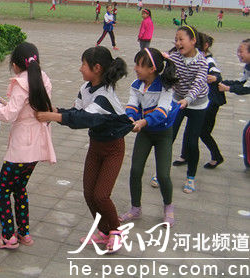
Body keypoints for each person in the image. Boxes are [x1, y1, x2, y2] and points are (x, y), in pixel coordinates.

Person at [36, 46, 132, 253]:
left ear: (96, 68)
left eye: (83, 64)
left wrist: (52, 117)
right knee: (89, 194)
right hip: (96, 146)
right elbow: (77, 111)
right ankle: (103, 231)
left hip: (113, 148)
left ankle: (116, 231)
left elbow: (84, 119)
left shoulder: (104, 96)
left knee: (101, 196)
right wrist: (57, 111)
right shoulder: (86, 88)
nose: (80, 69)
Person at [0, 42, 56, 249]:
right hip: (38, 143)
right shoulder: (43, 79)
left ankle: (8, 236)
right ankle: (23, 233)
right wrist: (2, 103)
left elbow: (9, 115)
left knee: (2, 191)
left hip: (22, 146)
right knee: (20, 188)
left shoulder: (20, 83)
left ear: (15, 65)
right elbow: (25, 109)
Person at [120, 48, 179, 227]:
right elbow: (132, 104)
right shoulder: (136, 85)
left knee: (163, 174)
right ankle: (135, 208)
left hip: (163, 134)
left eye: (140, 65)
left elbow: (161, 112)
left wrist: (142, 122)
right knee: (135, 170)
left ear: (152, 69)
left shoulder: (166, 87)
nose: (136, 68)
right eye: (136, 64)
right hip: (144, 133)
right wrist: (130, 117)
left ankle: (168, 206)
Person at [169, 26, 208, 194]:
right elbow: (167, 76)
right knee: (168, 138)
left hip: (197, 104)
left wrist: (188, 99)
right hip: (178, 102)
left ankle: (190, 177)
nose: (178, 43)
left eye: (181, 39)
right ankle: (161, 173)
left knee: (192, 142)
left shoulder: (202, 62)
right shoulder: (174, 57)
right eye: (176, 40)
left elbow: (198, 84)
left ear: (193, 41)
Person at [218, 39, 250, 171]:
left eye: (241, 51)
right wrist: (221, 82)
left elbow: (246, 88)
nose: (238, 54)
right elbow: (241, 82)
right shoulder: (248, 66)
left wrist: (228, 89)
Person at [198, 34, 226, 169]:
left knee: (202, 131)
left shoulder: (208, 60)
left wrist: (215, 78)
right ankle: (185, 155)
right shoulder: (198, 59)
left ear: (205, 46)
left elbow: (217, 73)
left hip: (211, 102)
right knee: (196, 130)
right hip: (204, 101)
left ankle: (216, 156)